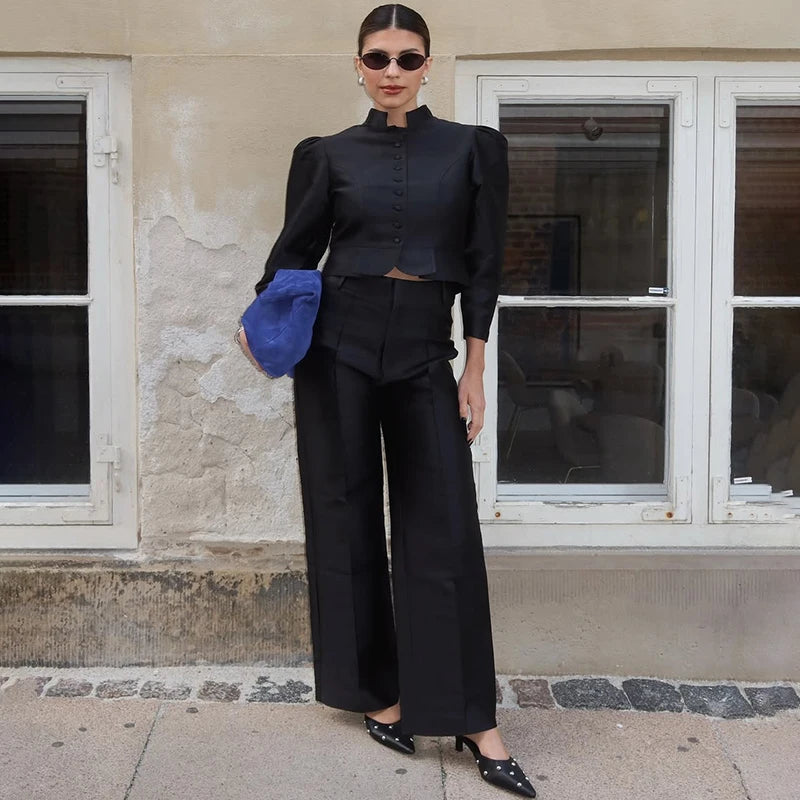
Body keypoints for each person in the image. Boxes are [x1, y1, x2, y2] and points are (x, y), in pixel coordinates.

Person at [246, 4, 536, 797]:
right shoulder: (327, 155)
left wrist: (473, 368)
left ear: (428, 65)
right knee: (341, 516)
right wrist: (262, 322)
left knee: (442, 525)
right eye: (378, 57)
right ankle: (384, 695)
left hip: (422, 349)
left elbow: (482, 266)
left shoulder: (474, 150)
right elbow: (293, 252)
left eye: (408, 58)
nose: (393, 71)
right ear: (358, 65)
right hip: (337, 344)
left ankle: (476, 719)